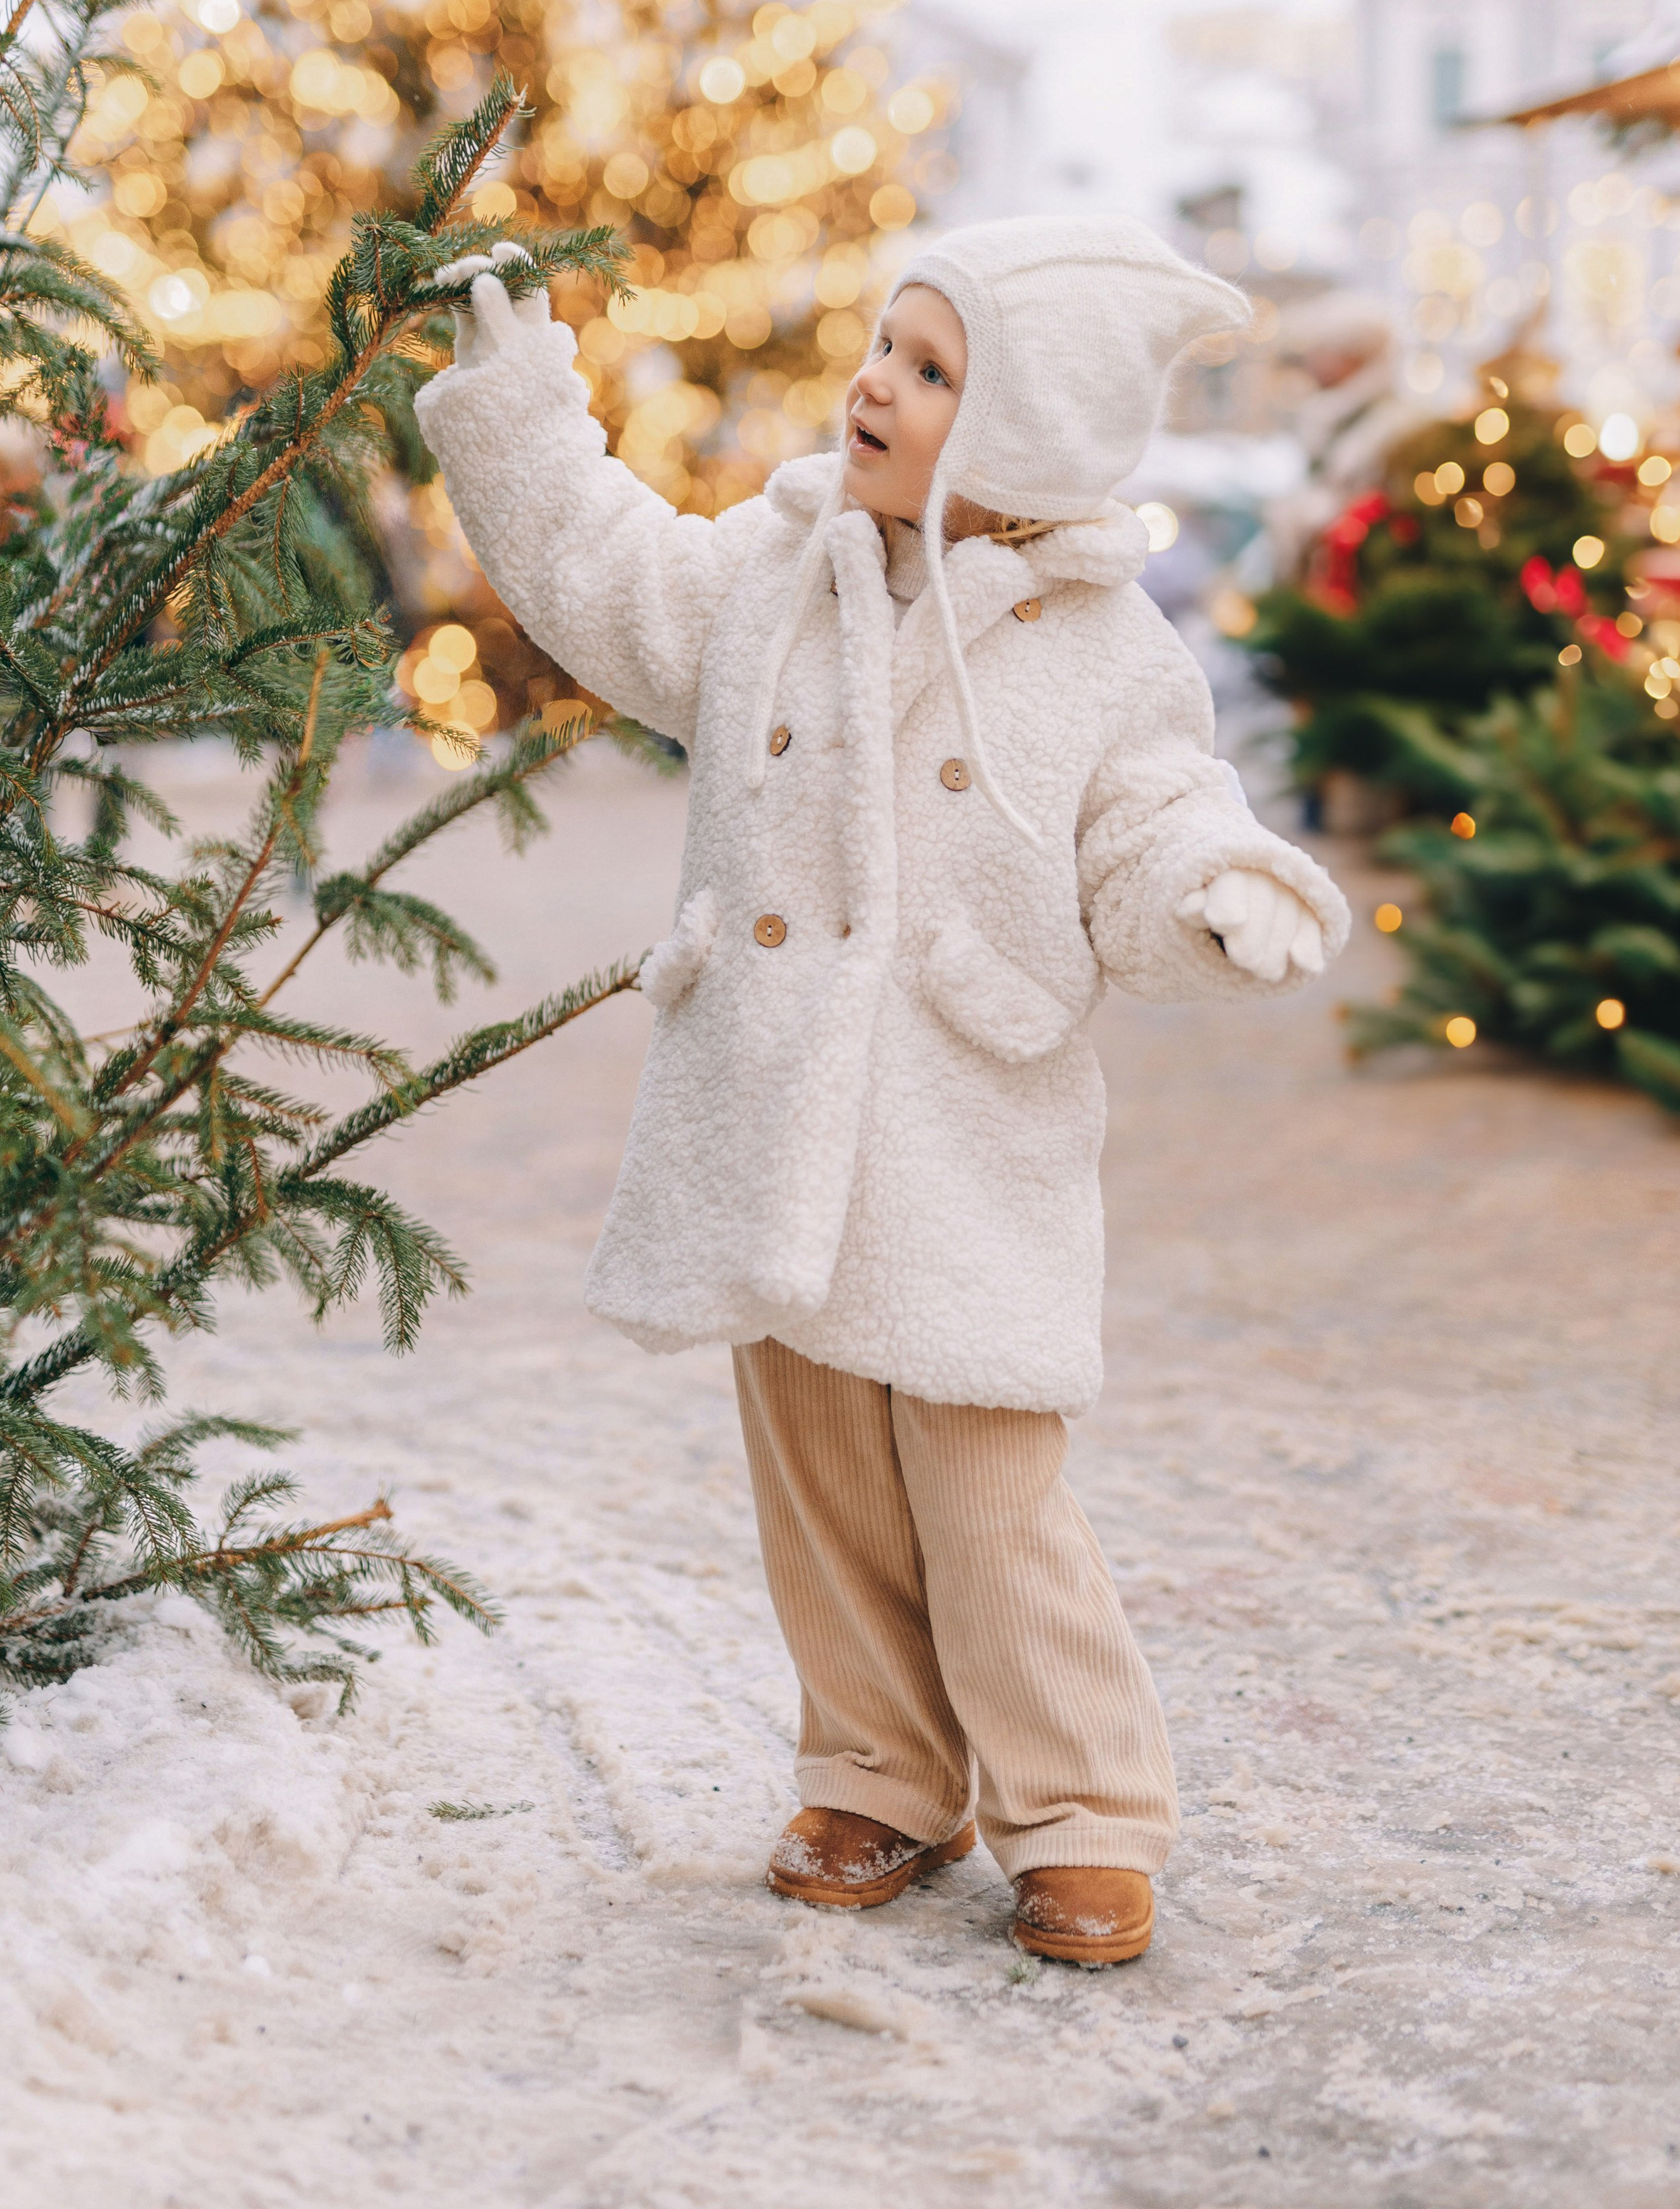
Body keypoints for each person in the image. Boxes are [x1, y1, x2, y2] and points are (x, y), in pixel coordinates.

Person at [417, 216, 1348, 1967]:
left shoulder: (1102, 650)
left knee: (989, 1493)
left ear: (1022, 440)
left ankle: (1079, 1803)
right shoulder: (775, 572)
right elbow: (608, 573)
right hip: (776, 1097)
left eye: (931, 371)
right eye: (883, 347)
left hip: (957, 1113)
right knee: (824, 1477)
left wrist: (1210, 892)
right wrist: (523, 415)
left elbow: (1149, 819)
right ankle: (876, 1770)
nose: (876, 384)